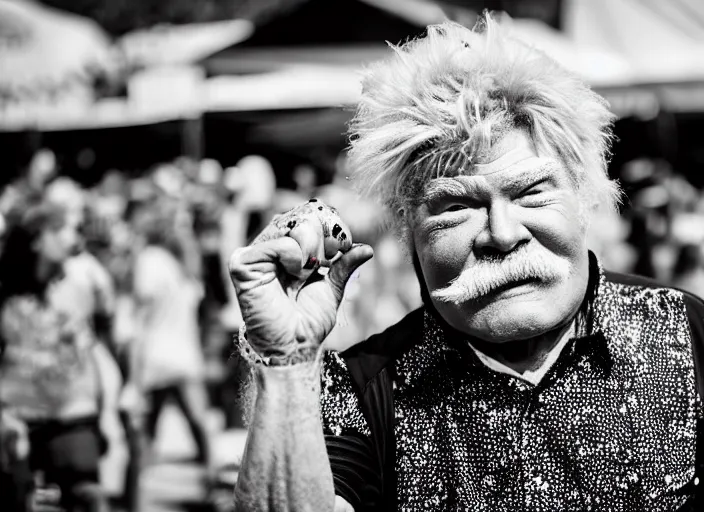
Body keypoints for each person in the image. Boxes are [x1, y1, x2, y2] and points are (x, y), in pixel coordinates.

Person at [227, 16, 704, 512]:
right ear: (408, 233)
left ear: (585, 201)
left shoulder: (685, 333)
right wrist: (285, 362)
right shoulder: (364, 391)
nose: (501, 233)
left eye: (531, 194)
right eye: (456, 208)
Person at [0, 202, 110, 512]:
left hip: (73, 416)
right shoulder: (7, 294)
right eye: (62, 229)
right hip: (17, 419)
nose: (73, 237)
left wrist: (108, 411)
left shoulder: (78, 282)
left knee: (89, 495)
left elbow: (92, 353)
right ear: (37, 238)